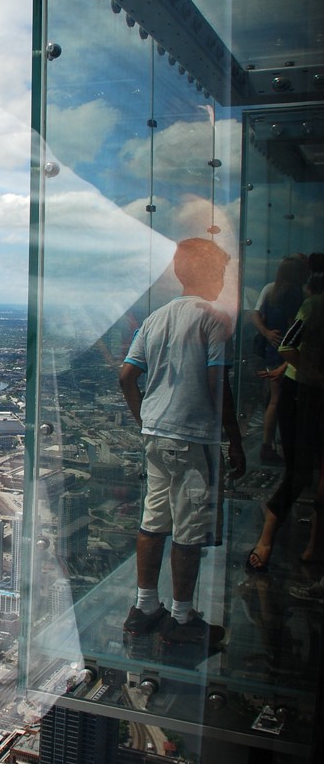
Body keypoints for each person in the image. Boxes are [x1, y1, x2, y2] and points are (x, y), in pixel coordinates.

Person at [119, 238, 245, 647]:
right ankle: (182, 617)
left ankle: (144, 608)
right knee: (189, 528)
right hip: (193, 436)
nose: (222, 278)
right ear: (208, 274)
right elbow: (217, 383)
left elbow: (126, 376)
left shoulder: (155, 319)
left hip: (156, 434)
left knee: (153, 520)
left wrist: (145, 419)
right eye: (220, 271)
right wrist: (234, 440)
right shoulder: (213, 319)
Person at [247, 257, 324, 573]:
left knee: (304, 472)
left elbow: (290, 347)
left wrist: (285, 364)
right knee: (302, 471)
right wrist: (314, 375)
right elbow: (290, 346)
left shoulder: (284, 294)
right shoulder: (312, 304)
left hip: (302, 387)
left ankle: (308, 546)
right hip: (307, 393)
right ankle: (275, 538)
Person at [252, 257, 307, 463]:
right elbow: (296, 331)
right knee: (281, 402)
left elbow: (255, 315)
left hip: (273, 352)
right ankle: (277, 447)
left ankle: (269, 446)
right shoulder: (296, 295)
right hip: (287, 355)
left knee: (275, 400)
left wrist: (266, 333)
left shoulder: (271, 290)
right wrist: (288, 362)